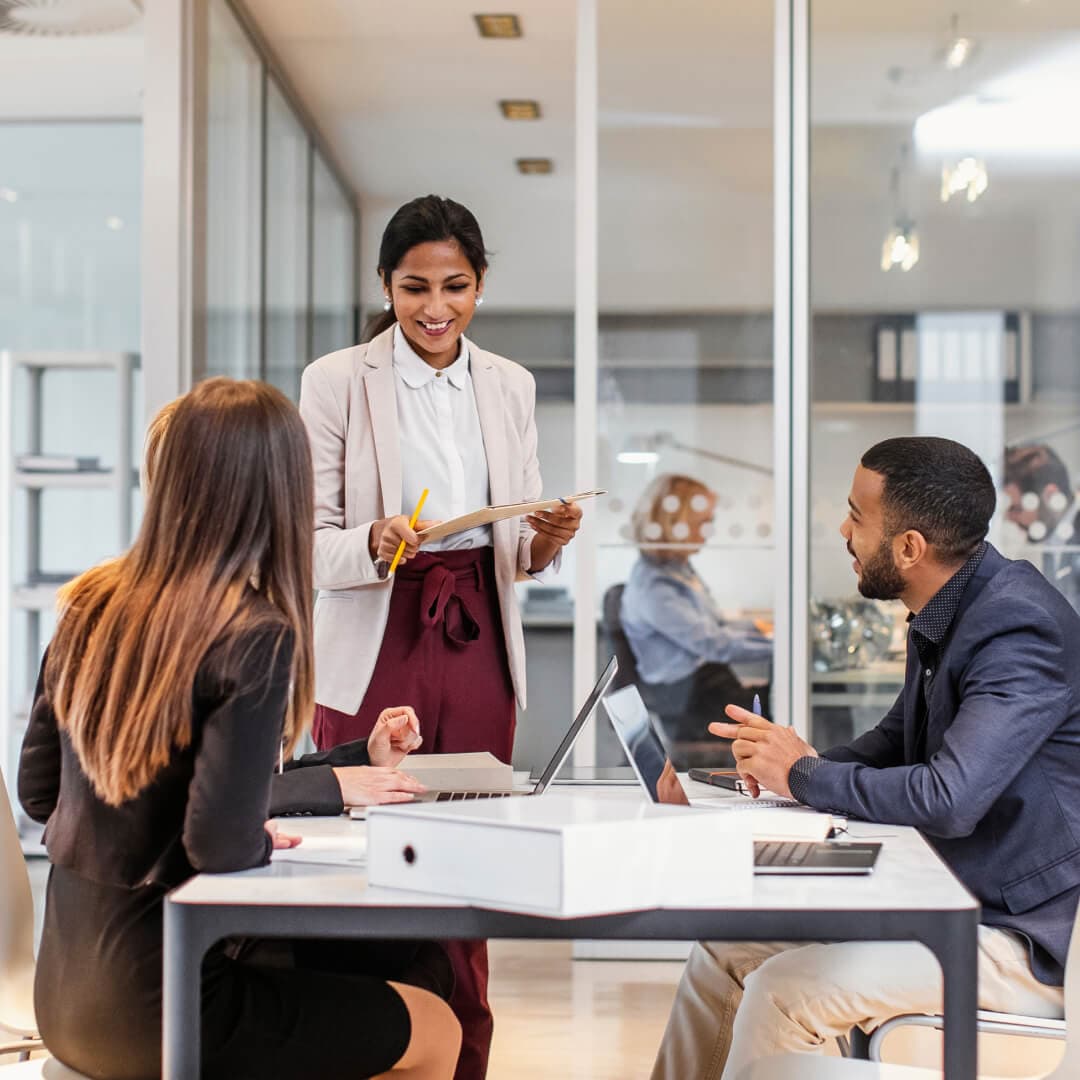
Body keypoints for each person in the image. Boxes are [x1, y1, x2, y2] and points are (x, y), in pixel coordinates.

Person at [18, 378, 461, 1080]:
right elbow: (219, 845)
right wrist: (246, 831)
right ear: (277, 491)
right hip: (167, 1007)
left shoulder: (89, 605)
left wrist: (248, 819)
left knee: (410, 968)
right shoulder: (251, 631)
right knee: (435, 1025)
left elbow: (41, 795)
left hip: (67, 1004)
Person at [652, 436, 1079, 1080]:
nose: (842, 531)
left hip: (1026, 939)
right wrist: (768, 777)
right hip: (962, 902)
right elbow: (890, 742)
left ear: (909, 548)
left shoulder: (1017, 626)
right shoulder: (954, 605)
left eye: (856, 515)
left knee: (784, 992)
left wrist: (802, 774)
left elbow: (949, 799)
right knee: (725, 950)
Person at [298, 193, 582, 1080]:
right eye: (414, 287)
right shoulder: (335, 380)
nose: (435, 307)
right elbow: (308, 542)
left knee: (473, 857)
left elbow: (518, 549)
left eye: (455, 287)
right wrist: (375, 541)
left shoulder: (509, 384)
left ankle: (462, 1058)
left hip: (477, 636)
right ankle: (368, 1040)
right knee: (369, 845)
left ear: (481, 284)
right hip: (379, 628)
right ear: (385, 285)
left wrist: (548, 540)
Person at [141, 395, 429, 816]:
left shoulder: (106, 601)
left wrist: (359, 759)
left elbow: (249, 777)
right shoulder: (236, 625)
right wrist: (331, 785)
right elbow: (201, 797)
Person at [619, 473, 772, 750]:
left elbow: (717, 625)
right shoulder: (655, 587)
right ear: (675, 524)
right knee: (789, 701)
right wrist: (781, 648)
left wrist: (764, 631)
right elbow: (713, 644)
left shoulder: (679, 569)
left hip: (707, 687)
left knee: (787, 696)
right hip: (691, 702)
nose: (708, 531)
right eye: (703, 522)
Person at [1003, 443, 1080, 611]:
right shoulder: (1053, 542)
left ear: (1051, 495)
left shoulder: (1073, 543)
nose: (1011, 518)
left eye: (1017, 508)